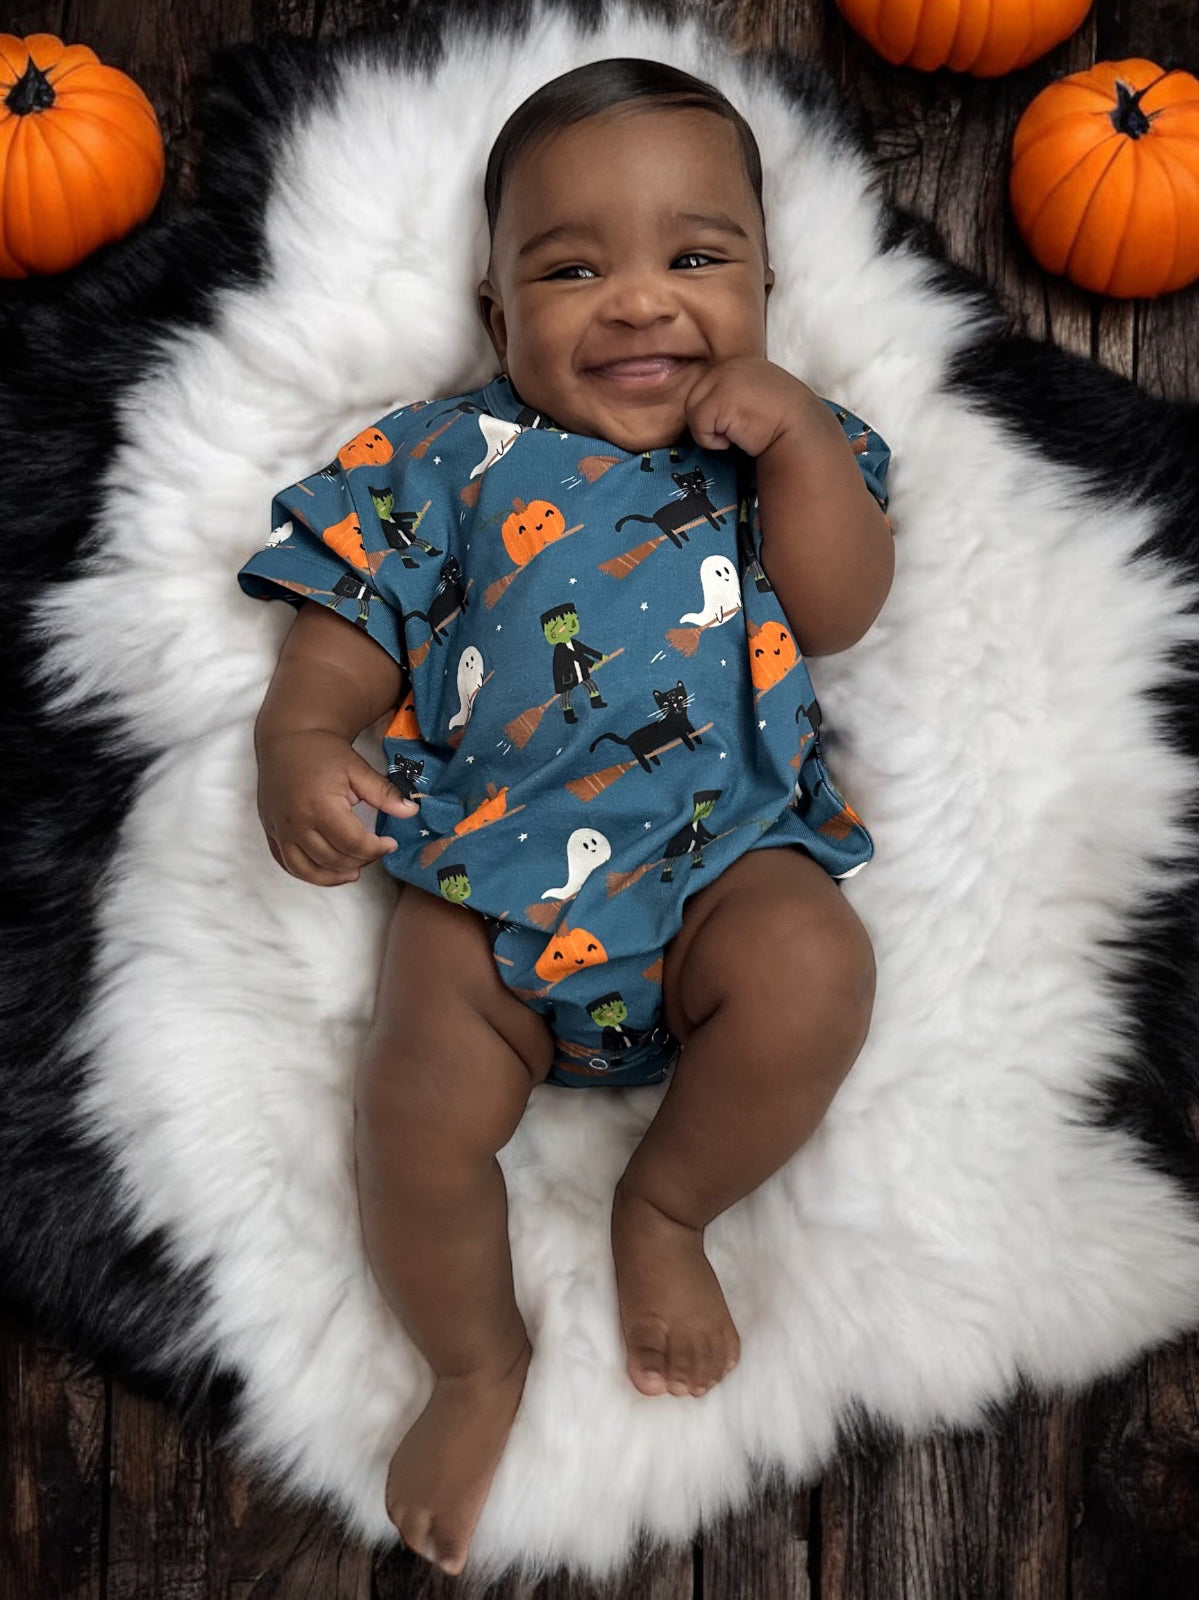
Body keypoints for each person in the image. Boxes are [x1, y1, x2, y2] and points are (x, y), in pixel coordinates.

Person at [238, 56, 893, 1577]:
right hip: (491, 893)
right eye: (573, 267)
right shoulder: (447, 460)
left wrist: (793, 436)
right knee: (412, 1111)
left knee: (820, 970)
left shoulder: (780, 447)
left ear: (767, 289)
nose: (642, 302)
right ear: (496, 317)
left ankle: (665, 1209)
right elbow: (349, 621)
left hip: (729, 870)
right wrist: (300, 736)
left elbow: (842, 609)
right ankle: (474, 1360)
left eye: (696, 258)